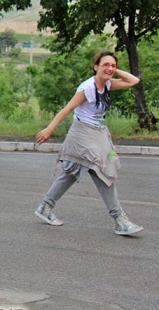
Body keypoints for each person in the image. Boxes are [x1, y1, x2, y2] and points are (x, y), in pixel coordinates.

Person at [34, 51, 143, 236]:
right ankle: (120, 220)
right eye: (105, 65)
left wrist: (112, 72)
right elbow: (67, 108)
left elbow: (134, 81)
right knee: (102, 171)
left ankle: (45, 207)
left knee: (70, 173)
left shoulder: (107, 84)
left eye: (113, 65)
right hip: (82, 134)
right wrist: (49, 129)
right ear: (95, 66)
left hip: (98, 133)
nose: (109, 68)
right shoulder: (88, 88)